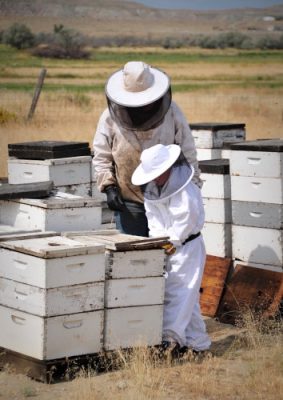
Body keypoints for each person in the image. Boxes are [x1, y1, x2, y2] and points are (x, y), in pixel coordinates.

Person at [92, 60, 201, 237]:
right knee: (135, 259)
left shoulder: (172, 112)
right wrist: (109, 187)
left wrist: (194, 186)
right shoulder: (110, 117)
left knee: (169, 254)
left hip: (169, 199)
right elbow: (101, 155)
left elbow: (188, 151)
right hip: (130, 202)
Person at [131, 143, 211, 355]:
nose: (155, 178)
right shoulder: (152, 190)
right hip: (168, 247)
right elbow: (153, 220)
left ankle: (170, 339)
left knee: (179, 293)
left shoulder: (187, 191)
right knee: (186, 296)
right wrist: (157, 243)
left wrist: (169, 243)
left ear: (168, 168)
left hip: (187, 247)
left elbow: (185, 223)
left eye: (158, 174)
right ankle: (198, 343)